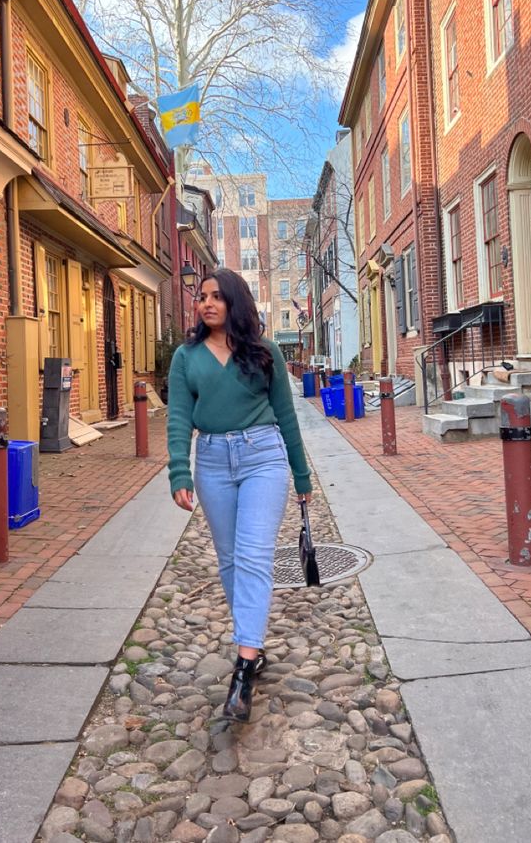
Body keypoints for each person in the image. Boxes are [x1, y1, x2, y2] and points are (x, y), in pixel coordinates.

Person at [167, 267, 312, 723]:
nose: (206, 303)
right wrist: (178, 472)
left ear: (235, 302)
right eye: (201, 297)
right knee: (229, 560)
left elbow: (288, 418)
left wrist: (302, 477)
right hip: (211, 462)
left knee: (252, 556)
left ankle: (244, 665)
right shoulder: (185, 357)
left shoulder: (265, 352)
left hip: (263, 457)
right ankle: (253, 641)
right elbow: (177, 418)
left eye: (217, 296)